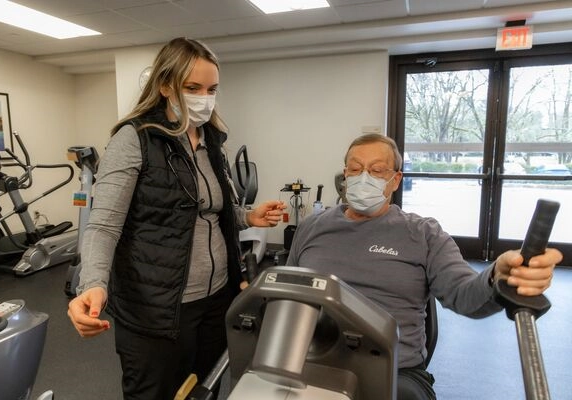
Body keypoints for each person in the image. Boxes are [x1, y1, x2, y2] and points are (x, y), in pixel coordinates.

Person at [67, 37, 285, 400]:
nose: (204, 97)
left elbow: (208, 210)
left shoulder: (211, 139)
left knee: (203, 390)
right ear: (166, 85)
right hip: (159, 308)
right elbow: (103, 225)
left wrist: (248, 216)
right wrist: (92, 283)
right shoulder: (134, 139)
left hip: (217, 300)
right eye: (192, 87)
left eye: (212, 88)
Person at [286, 133, 562, 400]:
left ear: (396, 181)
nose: (363, 177)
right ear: (345, 176)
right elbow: (287, 292)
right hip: (311, 360)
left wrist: (498, 276)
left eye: (377, 170)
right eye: (355, 169)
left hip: (393, 370)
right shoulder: (312, 227)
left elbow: (464, 296)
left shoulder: (422, 234)